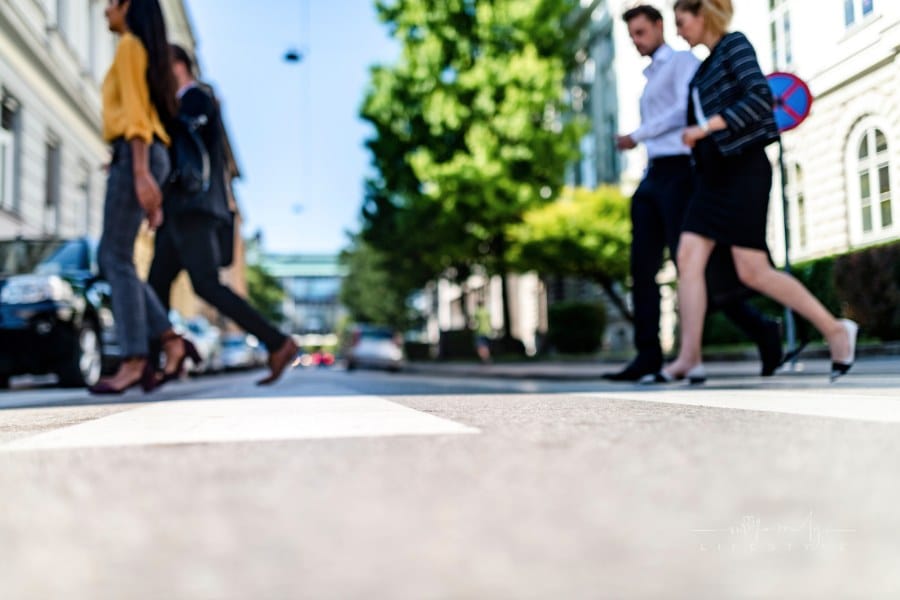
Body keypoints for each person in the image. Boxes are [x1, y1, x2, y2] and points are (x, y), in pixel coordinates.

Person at [644, 0, 857, 384]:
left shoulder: (734, 46)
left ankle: (836, 330)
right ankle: (689, 358)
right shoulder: (703, 68)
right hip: (711, 177)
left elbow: (759, 98)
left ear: (703, 15)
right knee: (688, 258)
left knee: (754, 271)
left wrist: (707, 127)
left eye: (681, 21)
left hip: (743, 169)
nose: (678, 32)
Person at [605, 4, 783, 382]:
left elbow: (682, 115)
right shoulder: (650, 75)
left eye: (640, 32)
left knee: (699, 267)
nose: (636, 41)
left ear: (659, 27)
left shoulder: (686, 62)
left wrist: (637, 135)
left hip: (683, 173)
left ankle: (759, 331)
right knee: (643, 267)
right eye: (631, 35)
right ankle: (648, 355)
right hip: (654, 174)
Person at [148, 44, 298, 386]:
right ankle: (159, 357)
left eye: (163, 67)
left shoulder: (198, 97)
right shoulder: (188, 102)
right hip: (178, 211)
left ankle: (277, 341)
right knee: (156, 287)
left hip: (195, 210)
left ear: (180, 66)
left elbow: (179, 139)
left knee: (205, 286)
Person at [90, 0, 199, 395]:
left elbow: (136, 115)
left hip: (139, 152)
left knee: (113, 257)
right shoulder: (140, 49)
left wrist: (138, 172)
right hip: (141, 153)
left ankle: (136, 359)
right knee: (116, 258)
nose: (105, 10)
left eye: (111, 3)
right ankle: (169, 340)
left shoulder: (130, 47)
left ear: (127, 6)